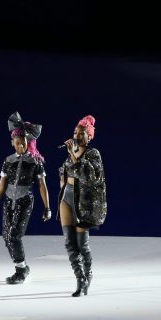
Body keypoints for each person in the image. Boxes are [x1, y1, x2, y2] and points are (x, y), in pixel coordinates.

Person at [0, 112, 51, 284]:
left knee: (15, 235)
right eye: (17, 143)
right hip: (9, 201)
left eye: (23, 143)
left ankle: (20, 271)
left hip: (25, 201)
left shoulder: (35, 162)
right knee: (6, 236)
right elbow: (1, 187)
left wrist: (47, 208)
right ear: (12, 143)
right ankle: (23, 267)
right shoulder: (8, 161)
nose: (20, 146)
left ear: (28, 142)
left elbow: (42, 186)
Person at [59, 114, 107, 297]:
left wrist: (73, 153)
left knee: (82, 244)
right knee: (69, 242)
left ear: (89, 136)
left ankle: (88, 275)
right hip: (66, 197)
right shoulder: (71, 154)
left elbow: (91, 176)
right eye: (75, 133)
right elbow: (65, 172)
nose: (77, 136)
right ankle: (80, 279)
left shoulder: (93, 154)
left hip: (84, 203)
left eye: (81, 133)